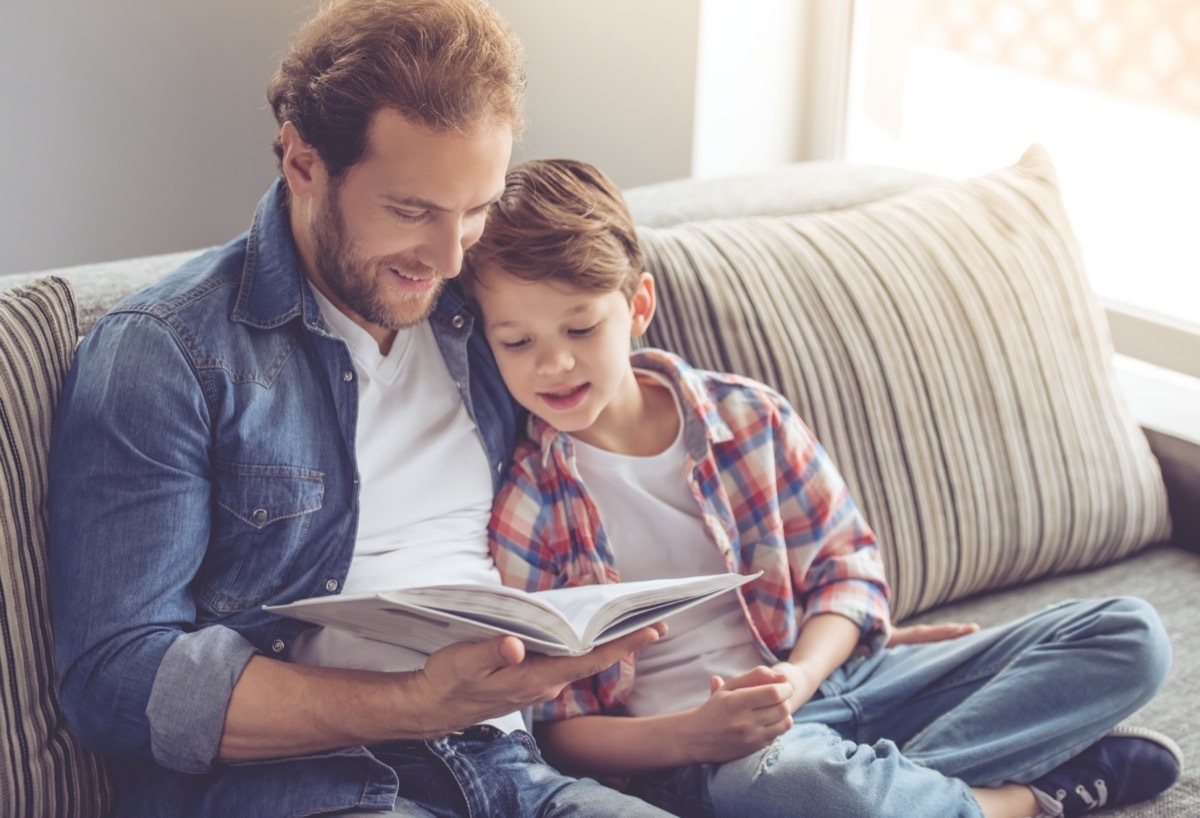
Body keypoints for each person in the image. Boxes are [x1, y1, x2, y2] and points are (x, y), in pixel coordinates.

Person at [46, 3, 676, 817]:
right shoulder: (166, 354)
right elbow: (118, 677)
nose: (450, 257)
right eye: (412, 211)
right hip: (306, 786)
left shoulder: (484, 314)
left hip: (509, 764)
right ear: (303, 163)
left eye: (475, 209)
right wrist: (416, 702)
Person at [460, 157, 1184, 818]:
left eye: (581, 328)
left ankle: (891, 796)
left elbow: (850, 574)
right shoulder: (529, 508)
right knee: (788, 785)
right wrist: (690, 736)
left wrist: (804, 676)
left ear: (638, 307)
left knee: (1129, 634)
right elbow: (553, 728)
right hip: (720, 758)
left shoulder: (748, 418)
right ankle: (1018, 803)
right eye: (518, 343)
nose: (554, 364)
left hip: (842, 683)